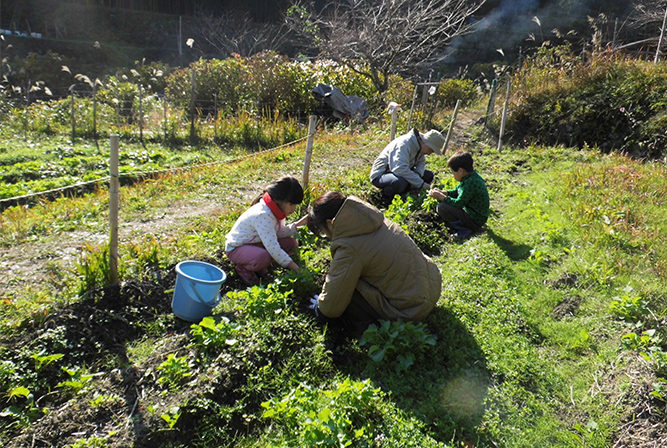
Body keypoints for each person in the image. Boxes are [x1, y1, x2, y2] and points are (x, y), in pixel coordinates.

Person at [307, 192, 442, 331]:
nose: (327, 236)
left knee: (347, 284)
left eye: (324, 231)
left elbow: (331, 308)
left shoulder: (349, 248)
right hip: (433, 285)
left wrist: (319, 308)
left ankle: (365, 330)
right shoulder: (371, 219)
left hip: (411, 309)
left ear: (331, 223)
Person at [225, 176, 309, 285]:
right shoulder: (263, 215)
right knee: (263, 257)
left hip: (255, 243)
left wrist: (299, 224)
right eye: (292, 204)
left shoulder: (277, 210)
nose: (294, 209)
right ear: (281, 201)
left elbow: (279, 232)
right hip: (237, 248)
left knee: (291, 244)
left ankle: (262, 267)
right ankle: (244, 268)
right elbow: (273, 248)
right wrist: (297, 269)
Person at [370, 128, 446, 201]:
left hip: (401, 172)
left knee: (428, 175)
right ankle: (385, 196)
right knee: (400, 183)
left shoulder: (420, 146)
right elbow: (399, 169)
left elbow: (421, 162)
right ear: (425, 142)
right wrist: (421, 184)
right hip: (382, 174)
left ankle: (406, 191)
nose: (429, 153)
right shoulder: (404, 144)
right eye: (431, 150)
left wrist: (418, 174)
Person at [428, 151, 489, 240]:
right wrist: (444, 192)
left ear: (461, 171)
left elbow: (458, 203)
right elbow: (457, 191)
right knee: (444, 205)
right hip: (475, 216)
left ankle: (464, 230)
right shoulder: (470, 177)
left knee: (442, 207)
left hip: (475, 220)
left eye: (453, 172)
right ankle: (463, 227)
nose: (453, 176)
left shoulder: (470, 183)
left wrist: (441, 197)